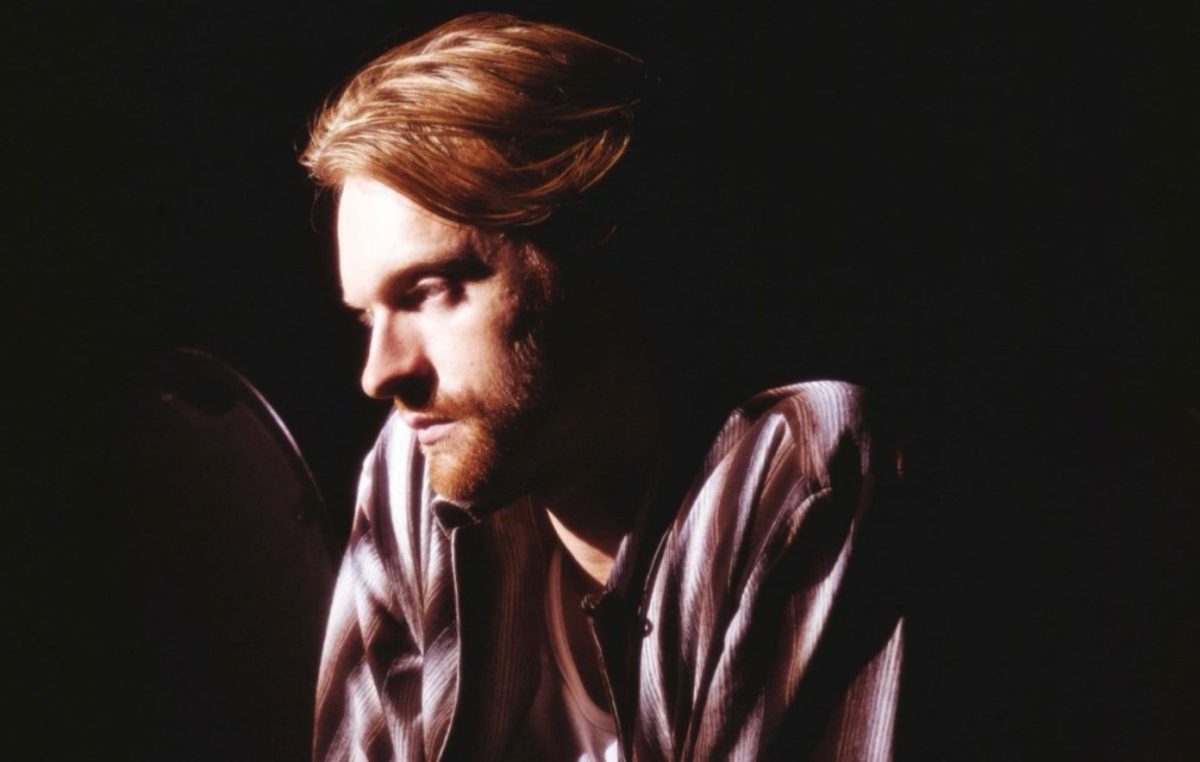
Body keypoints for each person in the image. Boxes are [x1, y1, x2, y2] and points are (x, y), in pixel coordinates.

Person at [301, 13, 905, 761]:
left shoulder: (798, 472)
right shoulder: (407, 477)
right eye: (368, 315)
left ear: (593, 244)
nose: (380, 373)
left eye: (432, 290)